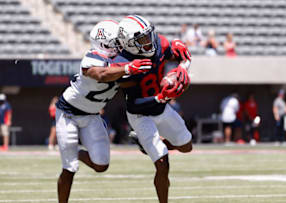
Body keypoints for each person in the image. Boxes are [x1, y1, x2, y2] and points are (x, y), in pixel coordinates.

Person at [55, 20, 152, 203]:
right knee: (69, 168)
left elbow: (128, 82)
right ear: (105, 41)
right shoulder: (92, 57)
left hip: (91, 115)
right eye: (117, 40)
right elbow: (100, 74)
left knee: (101, 165)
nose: (121, 43)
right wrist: (127, 69)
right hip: (68, 113)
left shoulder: (123, 59)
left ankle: (73, 151)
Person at [116, 15, 192, 203]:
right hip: (140, 114)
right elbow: (133, 104)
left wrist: (184, 65)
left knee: (186, 146)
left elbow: (180, 54)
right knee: (162, 162)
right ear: (129, 43)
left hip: (161, 107)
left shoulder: (159, 44)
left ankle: (145, 145)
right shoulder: (124, 64)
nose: (149, 42)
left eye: (149, 36)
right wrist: (161, 97)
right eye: (142, 39)